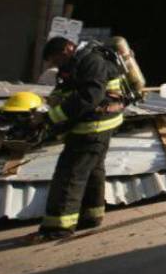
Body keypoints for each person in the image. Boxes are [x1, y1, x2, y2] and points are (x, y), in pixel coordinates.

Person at [32, 38, 131, 240]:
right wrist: (49, 102)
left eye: (57, 60)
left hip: (94, 126)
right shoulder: (75, 63)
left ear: (68, 48)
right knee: (93, 169)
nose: (56, 65)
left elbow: (90, 96)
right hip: (99, 125)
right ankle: (91, 216)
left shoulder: (91, 61)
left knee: (69, 174)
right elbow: (66, 88)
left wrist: (51, 117)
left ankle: (57, 227)